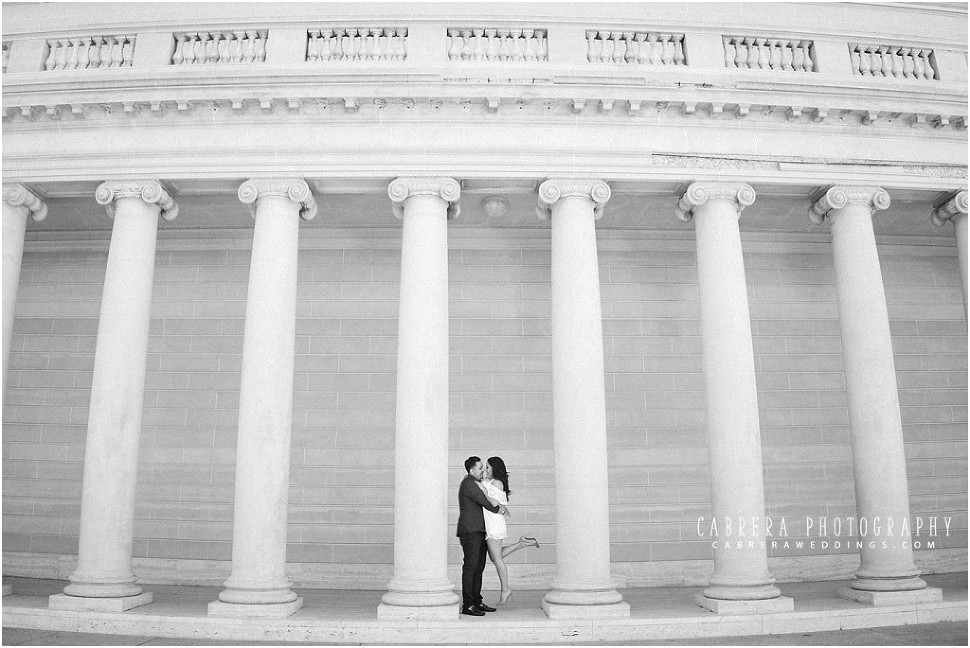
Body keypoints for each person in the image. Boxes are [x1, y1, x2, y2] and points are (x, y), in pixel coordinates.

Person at [478, 456, 540, 605]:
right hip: (491, 523)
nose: (485, 470)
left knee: (497, 559)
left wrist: (478, 482)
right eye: (484, 467)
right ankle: (522, 543)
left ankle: (505, 589)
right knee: (495, 557)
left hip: (493, 524)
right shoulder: (490, 482)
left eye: (488, 467)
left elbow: (489, 500)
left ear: (495, 468)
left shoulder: (497, 483)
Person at [457, 456, 507, 616]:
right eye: (480, 468)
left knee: (479, 567)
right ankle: (468, 605)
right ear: (471, 471)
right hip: (470, 530)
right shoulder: (469, 483)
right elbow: (484, 501)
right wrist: (499, 509)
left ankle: (477, 601)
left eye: (484, 467)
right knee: (471, 567)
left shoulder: (476, 483)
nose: (483, 471)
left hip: (479, 530)